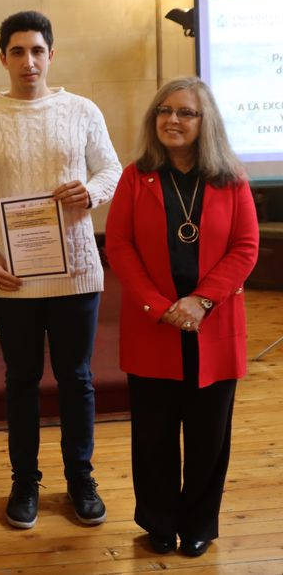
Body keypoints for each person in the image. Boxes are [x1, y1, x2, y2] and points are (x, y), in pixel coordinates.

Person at [0, 11, 122, 530]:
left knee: (77, 379)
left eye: (37, 51)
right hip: (14, 276)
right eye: (17, 51)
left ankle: (81, 478)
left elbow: (112, 169)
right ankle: (24, 480)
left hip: (75, 268)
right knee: (21, 380)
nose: (28, 61)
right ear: (2, 57)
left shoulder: (82, 110)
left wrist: (91, 192)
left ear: (51, 55)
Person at [105, 77, 259, 557]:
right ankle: (158, 520)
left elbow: (245, 247)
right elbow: (120, 246)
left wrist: (202, 301)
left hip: (213, 328)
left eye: (186, 112)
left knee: (209, 438)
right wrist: (158, 305)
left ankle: (198, 524)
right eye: (165, 110)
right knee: (153, 437)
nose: (173, 120)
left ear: (205, 121)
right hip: (155, 328)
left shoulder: (230, 179)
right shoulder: (136, 176)